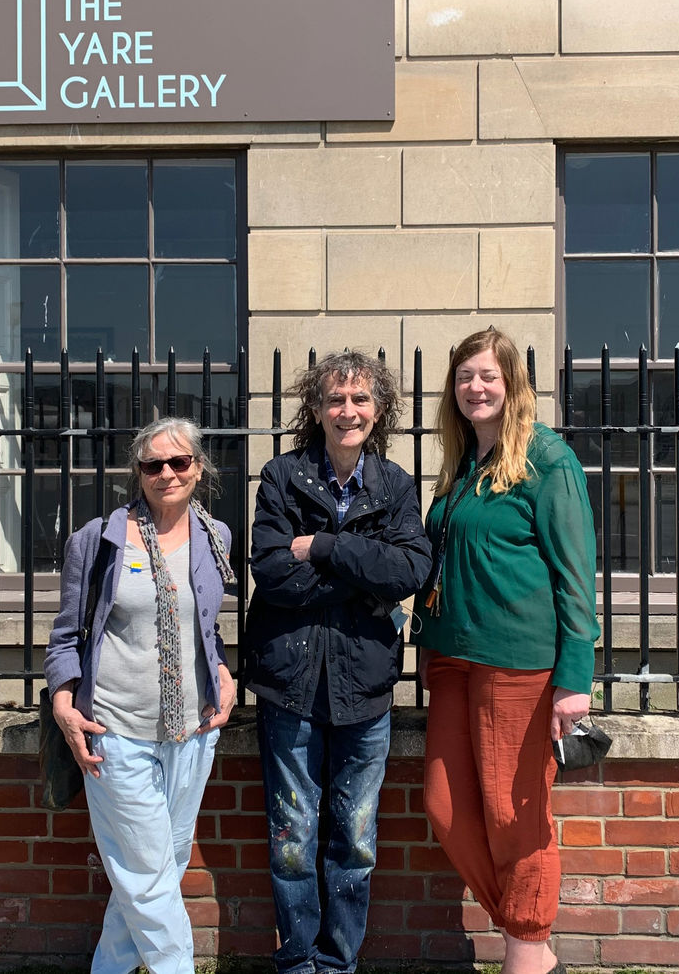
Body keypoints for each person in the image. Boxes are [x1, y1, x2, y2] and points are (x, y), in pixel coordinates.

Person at [414, 327, 599, 974]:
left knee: (513, 815)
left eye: (488, 375)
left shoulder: (548, 461)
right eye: (465, 376)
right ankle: (537, 947)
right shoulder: (464, 461)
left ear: (513, 382)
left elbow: (577, 578)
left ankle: (525, 950)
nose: (476, 387)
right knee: (444, 805)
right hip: (453, 660)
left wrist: (576, 677)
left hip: (519, 664)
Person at [245, 350, 432, 974]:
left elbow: (409, 569)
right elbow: (271, 573)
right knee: (292, 842)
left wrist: (323, 547)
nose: (347, 411)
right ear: (316, 408)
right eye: (335, 399)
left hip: (365, 689)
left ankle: (338, 962)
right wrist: (363, 577)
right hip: (290, 688)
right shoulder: (280, 477)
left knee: (353, 842)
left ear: (379, 412)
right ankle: (299, 963)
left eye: (360, 400)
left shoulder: (397, 486)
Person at [44, 417, 237, 974]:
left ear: (198, 468)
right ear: (138, 472)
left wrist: (222, 669)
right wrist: (64, 699)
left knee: (158, 869)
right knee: (148, 880)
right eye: (153, 464)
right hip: (115, 733)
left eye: (179, 462)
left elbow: (205, 629)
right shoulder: (98, 540)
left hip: (191, 734)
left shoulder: (214, 539)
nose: (167, 473)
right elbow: (66, 636)